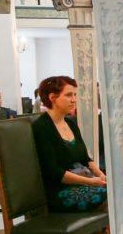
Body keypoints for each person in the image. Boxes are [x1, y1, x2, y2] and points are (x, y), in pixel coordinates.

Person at [31, 76, 106, 212]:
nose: (74, 99)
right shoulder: (41, 127)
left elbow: (86, 159)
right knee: (113, 196)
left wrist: (100, 175)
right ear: (52, 98)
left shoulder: (70, 122)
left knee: (120, 188)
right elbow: (53, 172)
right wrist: (91, 181)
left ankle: (113, 232)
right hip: (61, 190)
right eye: (68, 95)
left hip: (83, 180)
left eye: (75, 95)